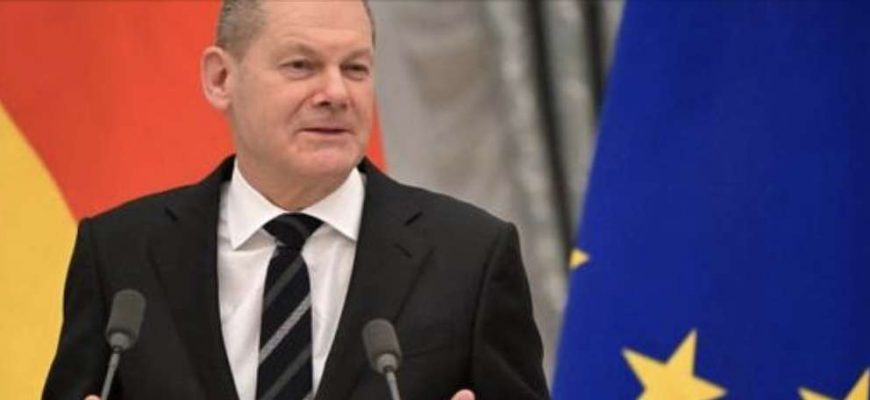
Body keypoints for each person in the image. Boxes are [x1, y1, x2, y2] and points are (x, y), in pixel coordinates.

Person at [43, 1, 548, 399]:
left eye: (355, 68)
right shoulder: (120, 255)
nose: (336, 93)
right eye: (301, 66)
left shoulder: (470, 257)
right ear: (221, 79)